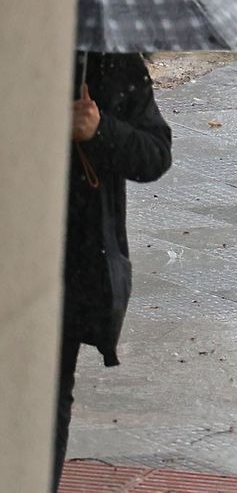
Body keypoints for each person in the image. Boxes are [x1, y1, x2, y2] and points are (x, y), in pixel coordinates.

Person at [57, 52, 173, 489]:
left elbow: (155, 154)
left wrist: (98, 129)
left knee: (49, 393)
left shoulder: (106, 62)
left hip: (69, 262)